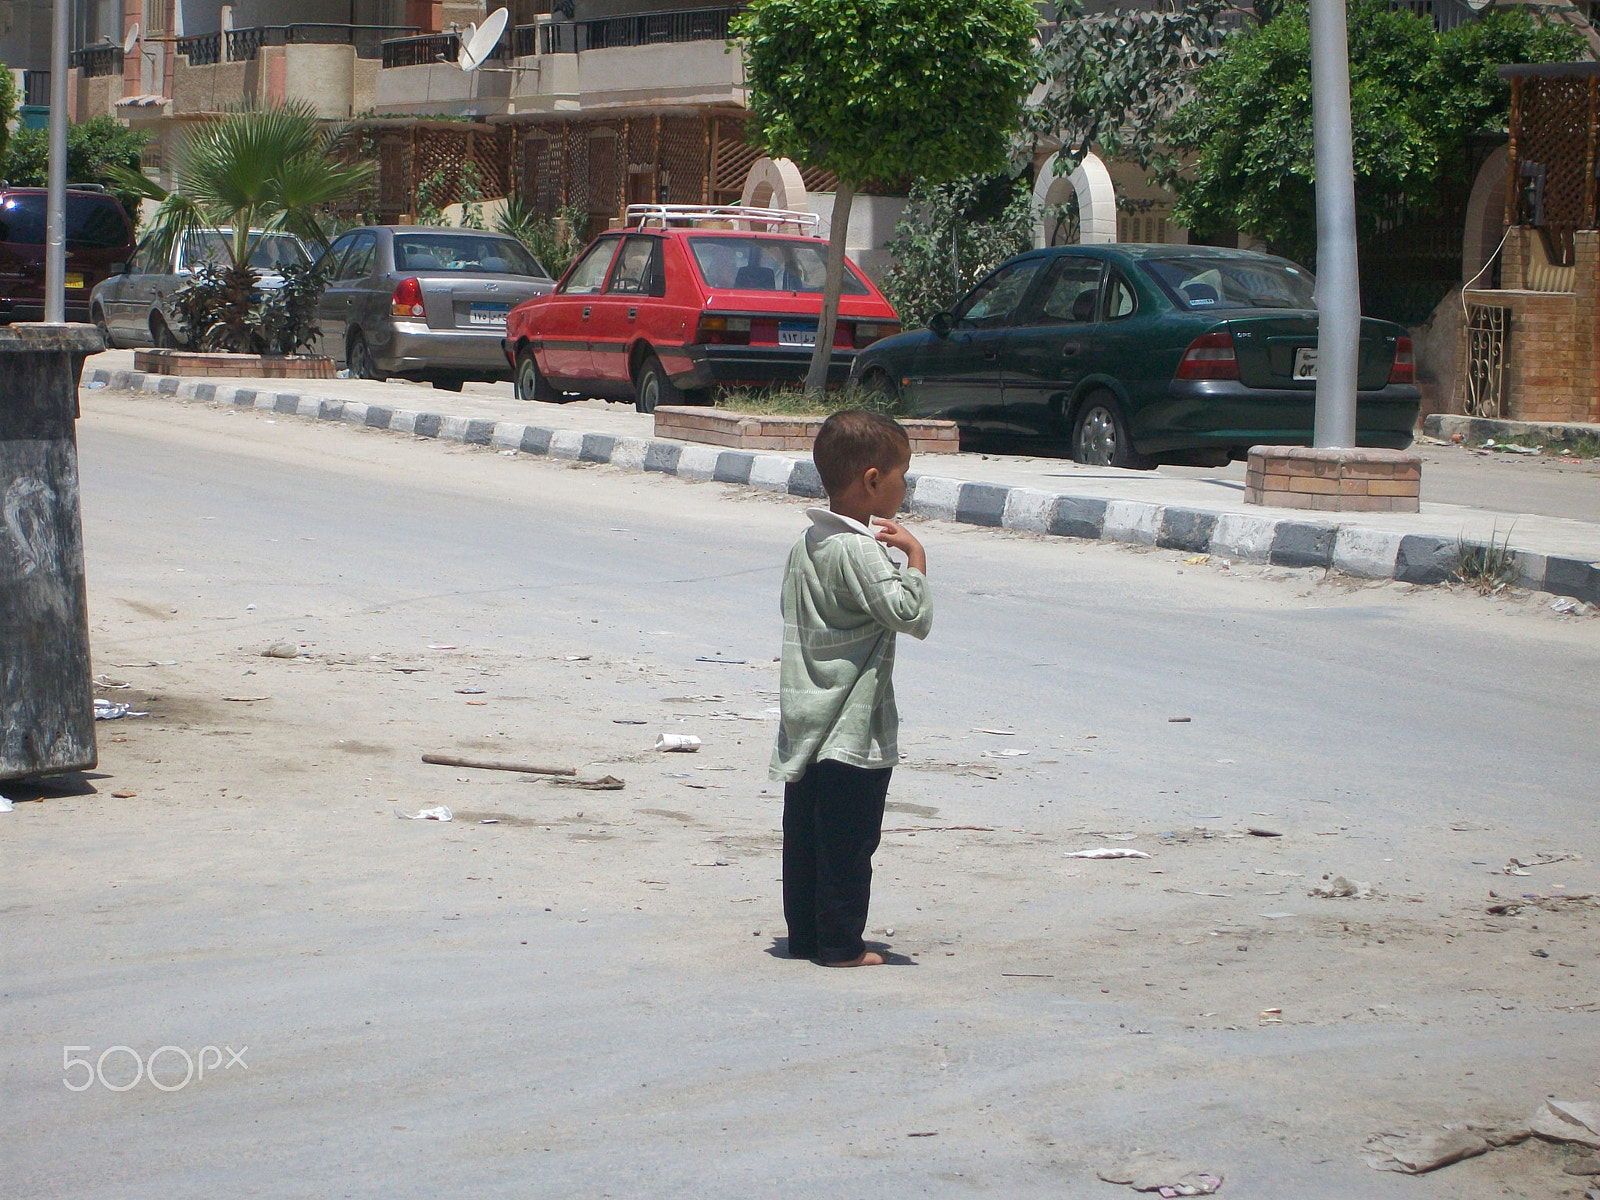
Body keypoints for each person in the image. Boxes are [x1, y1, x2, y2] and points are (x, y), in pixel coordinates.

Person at [770, 410, 934, 967]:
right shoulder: (860, 549)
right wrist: (914, 557)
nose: (904, 487)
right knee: (848, 842)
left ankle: (808, 937)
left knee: (807, 836)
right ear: (871, 480)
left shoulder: (809, 543)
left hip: (806, 716)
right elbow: (908, 612)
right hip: (851, 726)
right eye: (901, 475)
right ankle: (840, 945)